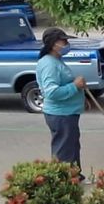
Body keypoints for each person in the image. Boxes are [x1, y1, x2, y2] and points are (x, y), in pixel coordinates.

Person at [36, 28, 88, 181]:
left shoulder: (56, 60)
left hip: (68, 113)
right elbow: (51, 92)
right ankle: (64, 181)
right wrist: (75, 86)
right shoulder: (49, 64)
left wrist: (81, 97)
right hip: (61, 114)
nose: (67, 43)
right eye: (63, 41)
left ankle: (75, 175)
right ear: (53, 44)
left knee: (72, 146)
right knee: (64, 150)